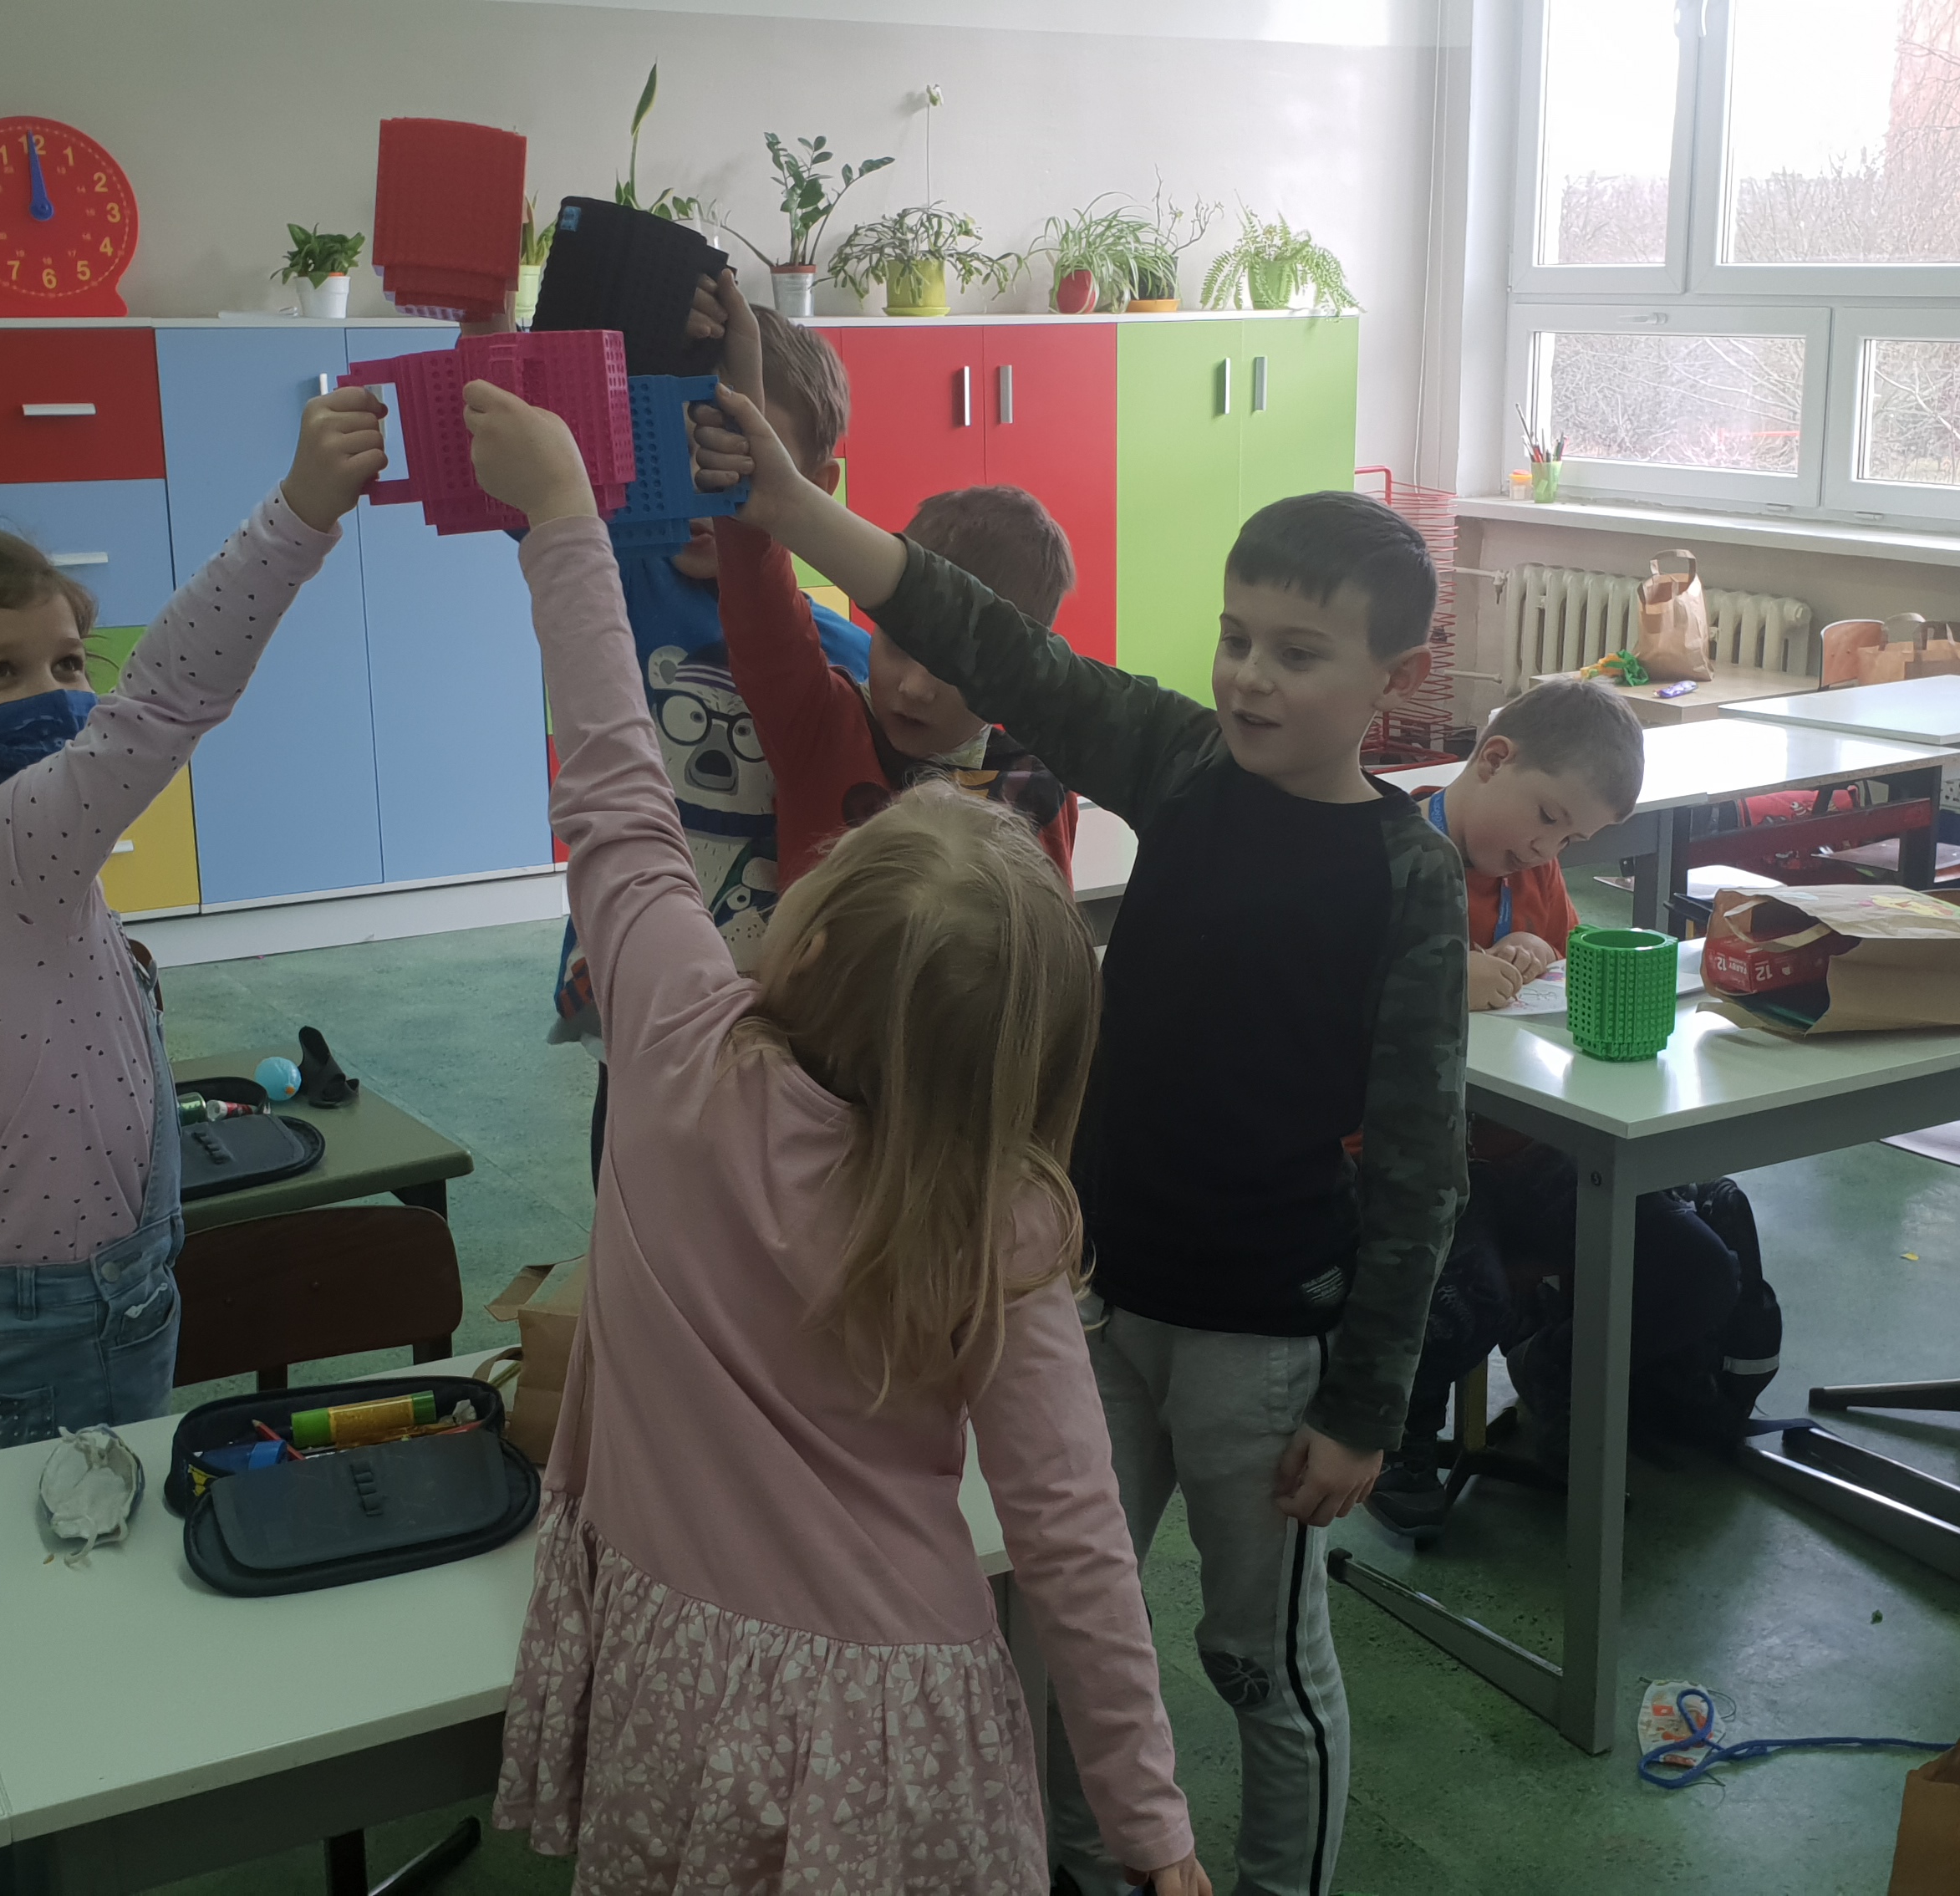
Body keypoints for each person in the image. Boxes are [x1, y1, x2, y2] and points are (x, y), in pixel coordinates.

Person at [691, 385, 1467, 1896]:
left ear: (1399, 675)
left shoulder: (1407, 878)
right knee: (1054, 1612)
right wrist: (793, 510)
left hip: (1266, 1344)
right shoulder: (1178, 762)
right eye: (1236, 636)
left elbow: (1423, 1160)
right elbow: (999, 646)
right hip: (1096, 1306)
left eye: (1297, 652)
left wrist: (1365, 1402)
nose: (1248, 675)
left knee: (1257, 1659)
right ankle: (1079, 1869)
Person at [462, 380, 1206, 1896]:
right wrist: (1153, 1832)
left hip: (680, 1681)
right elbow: (1072, 1538)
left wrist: (564, 519)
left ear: (801, 936)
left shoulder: (675, 1050)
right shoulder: (1001, 1214)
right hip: (904, 1718)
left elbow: (615, 785)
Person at [0, 389, 387, 1452]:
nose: (57, 694)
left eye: (70, 662)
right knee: (86, 1539)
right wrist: (299, 513)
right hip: (58, 1327)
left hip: (21, 1304)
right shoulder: (4, 847)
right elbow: (164, 700)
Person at [1362, 681, 1778, 1533]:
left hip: (1522, 1142)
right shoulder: (1383, 851)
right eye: (1546, 818)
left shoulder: (1533, 869)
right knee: (1458, 1298)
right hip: (1403, 1155)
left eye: (1570, 839)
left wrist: (1533, 951)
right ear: (1493, 759)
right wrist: (1437, 979)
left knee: (1698, 1270)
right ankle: (1397, 1438)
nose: (1545, 848)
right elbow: (1320, 993)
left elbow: (1555, 976)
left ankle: (1557, 1371)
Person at [558, 285, 874, 1181]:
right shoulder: (622, 576)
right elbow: (534, 452)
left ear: (816, 488)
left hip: (775, 1016)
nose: (702, 491)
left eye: (734, 459)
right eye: (680, 451)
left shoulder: (850, 661)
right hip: (634, 994)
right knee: (632, 1187)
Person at [706, 288, 1075, 884]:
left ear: (1018, 676)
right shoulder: (824, 724)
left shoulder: (1042, 784)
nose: (914, 686)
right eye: (900, 643)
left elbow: (1048, 934)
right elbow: (764, 618)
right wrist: (748, 485)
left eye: (953, 666)